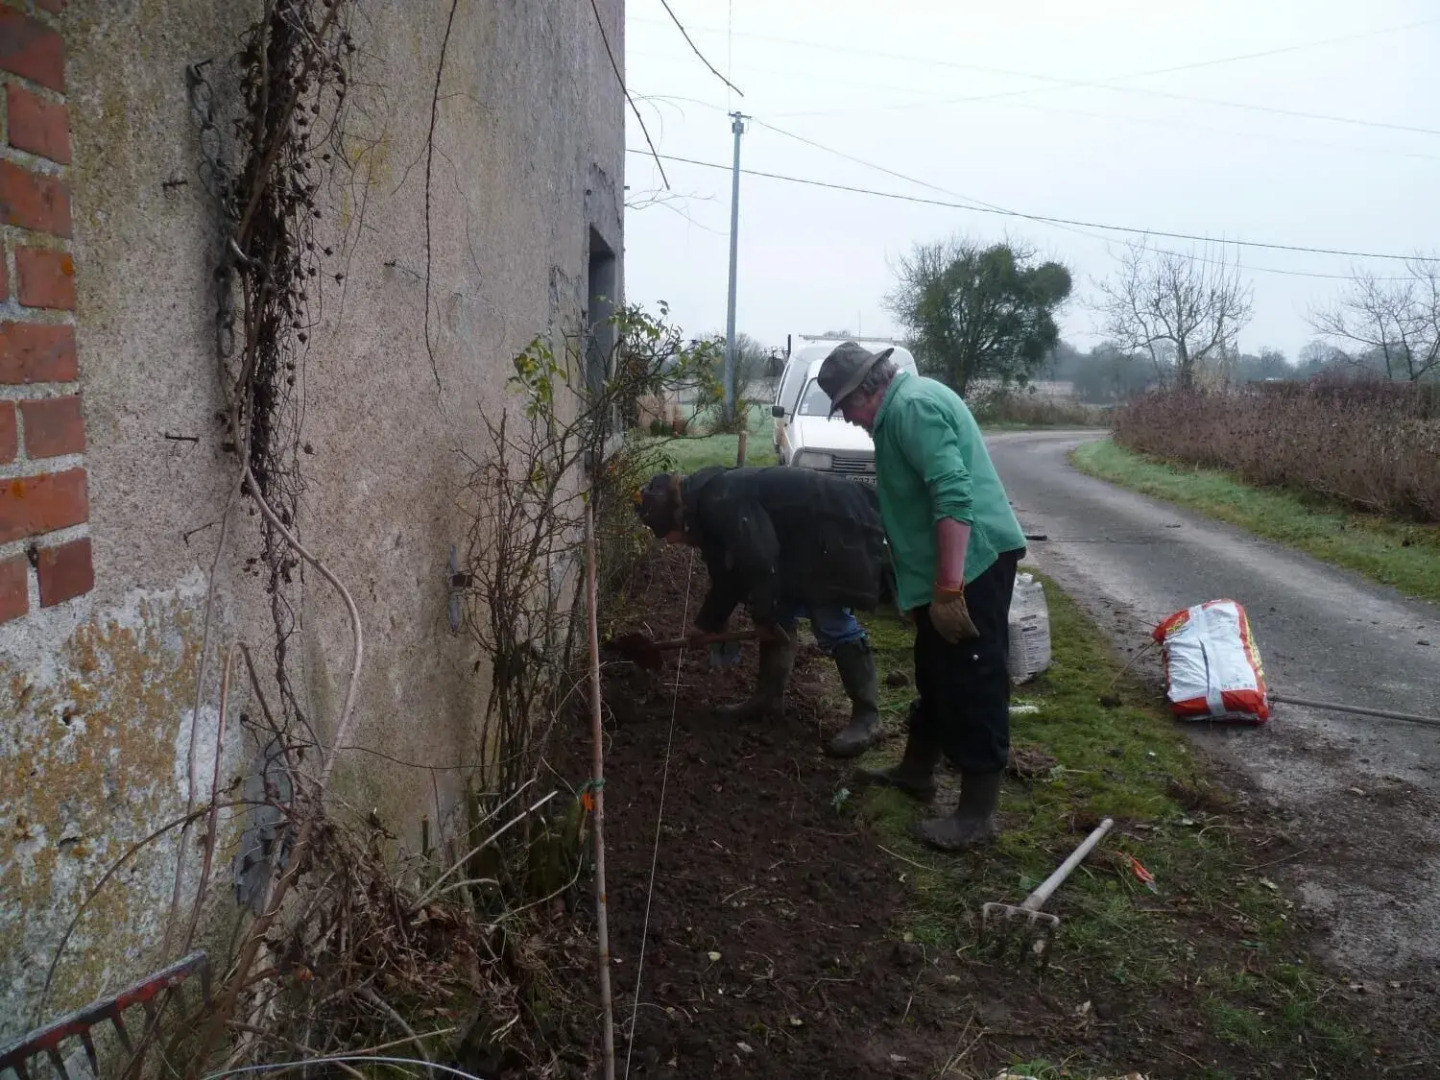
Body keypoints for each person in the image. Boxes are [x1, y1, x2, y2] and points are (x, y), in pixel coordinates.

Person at [818, 341, 1027, 851]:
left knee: (975, 678)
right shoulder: (899, 411)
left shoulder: (912, 408)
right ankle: (917, 771)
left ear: (870, 387)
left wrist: (949, 587)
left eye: (846, 405)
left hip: (973, 564)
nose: (846, 418)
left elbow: (954, 496)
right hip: (948, 570)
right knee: (936, 670)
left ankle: (977, 815)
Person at [635, 465, 889, 757]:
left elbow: (760, 559)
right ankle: (768, 698)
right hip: (803, 537)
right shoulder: (703, 505)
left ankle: (868, 717)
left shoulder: (720, 502)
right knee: (778, 608)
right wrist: (706, 624)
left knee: (829, 617)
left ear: (679, 518)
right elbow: (728, 578)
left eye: (669, 534)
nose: (669, 541)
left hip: (835, 524)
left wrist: (763, 615)